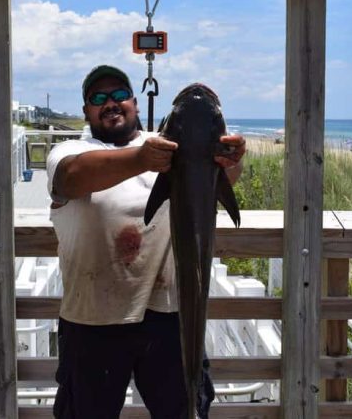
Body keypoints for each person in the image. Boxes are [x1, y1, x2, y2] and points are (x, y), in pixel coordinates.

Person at [47, 65, 246, 419]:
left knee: (183, 410)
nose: (111, 103)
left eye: (120, 95)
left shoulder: (167, 146)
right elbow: (71, 178)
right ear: (86, 111)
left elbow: (218, 176)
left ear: (136, 104)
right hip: (93, 318)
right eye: (99, 98)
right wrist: (141, 159)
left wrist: (228, 159)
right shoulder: (70, 150)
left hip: (170, 316)